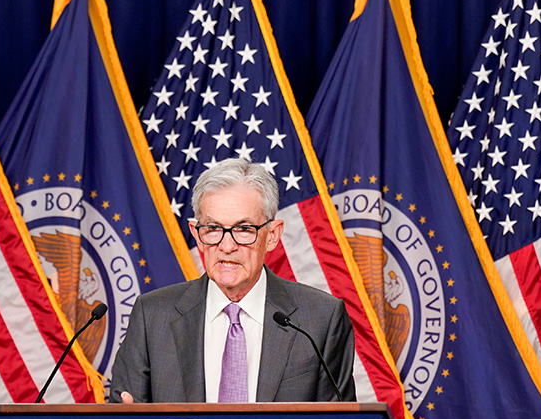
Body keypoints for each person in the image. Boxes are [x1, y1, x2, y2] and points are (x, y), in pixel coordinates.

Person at [109, 158, 356, 403]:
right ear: (196, 234)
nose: (227, 246)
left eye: (244, 229)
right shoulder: (152, 316)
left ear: (272, 235)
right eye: (213, 229)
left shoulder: (321, 319)